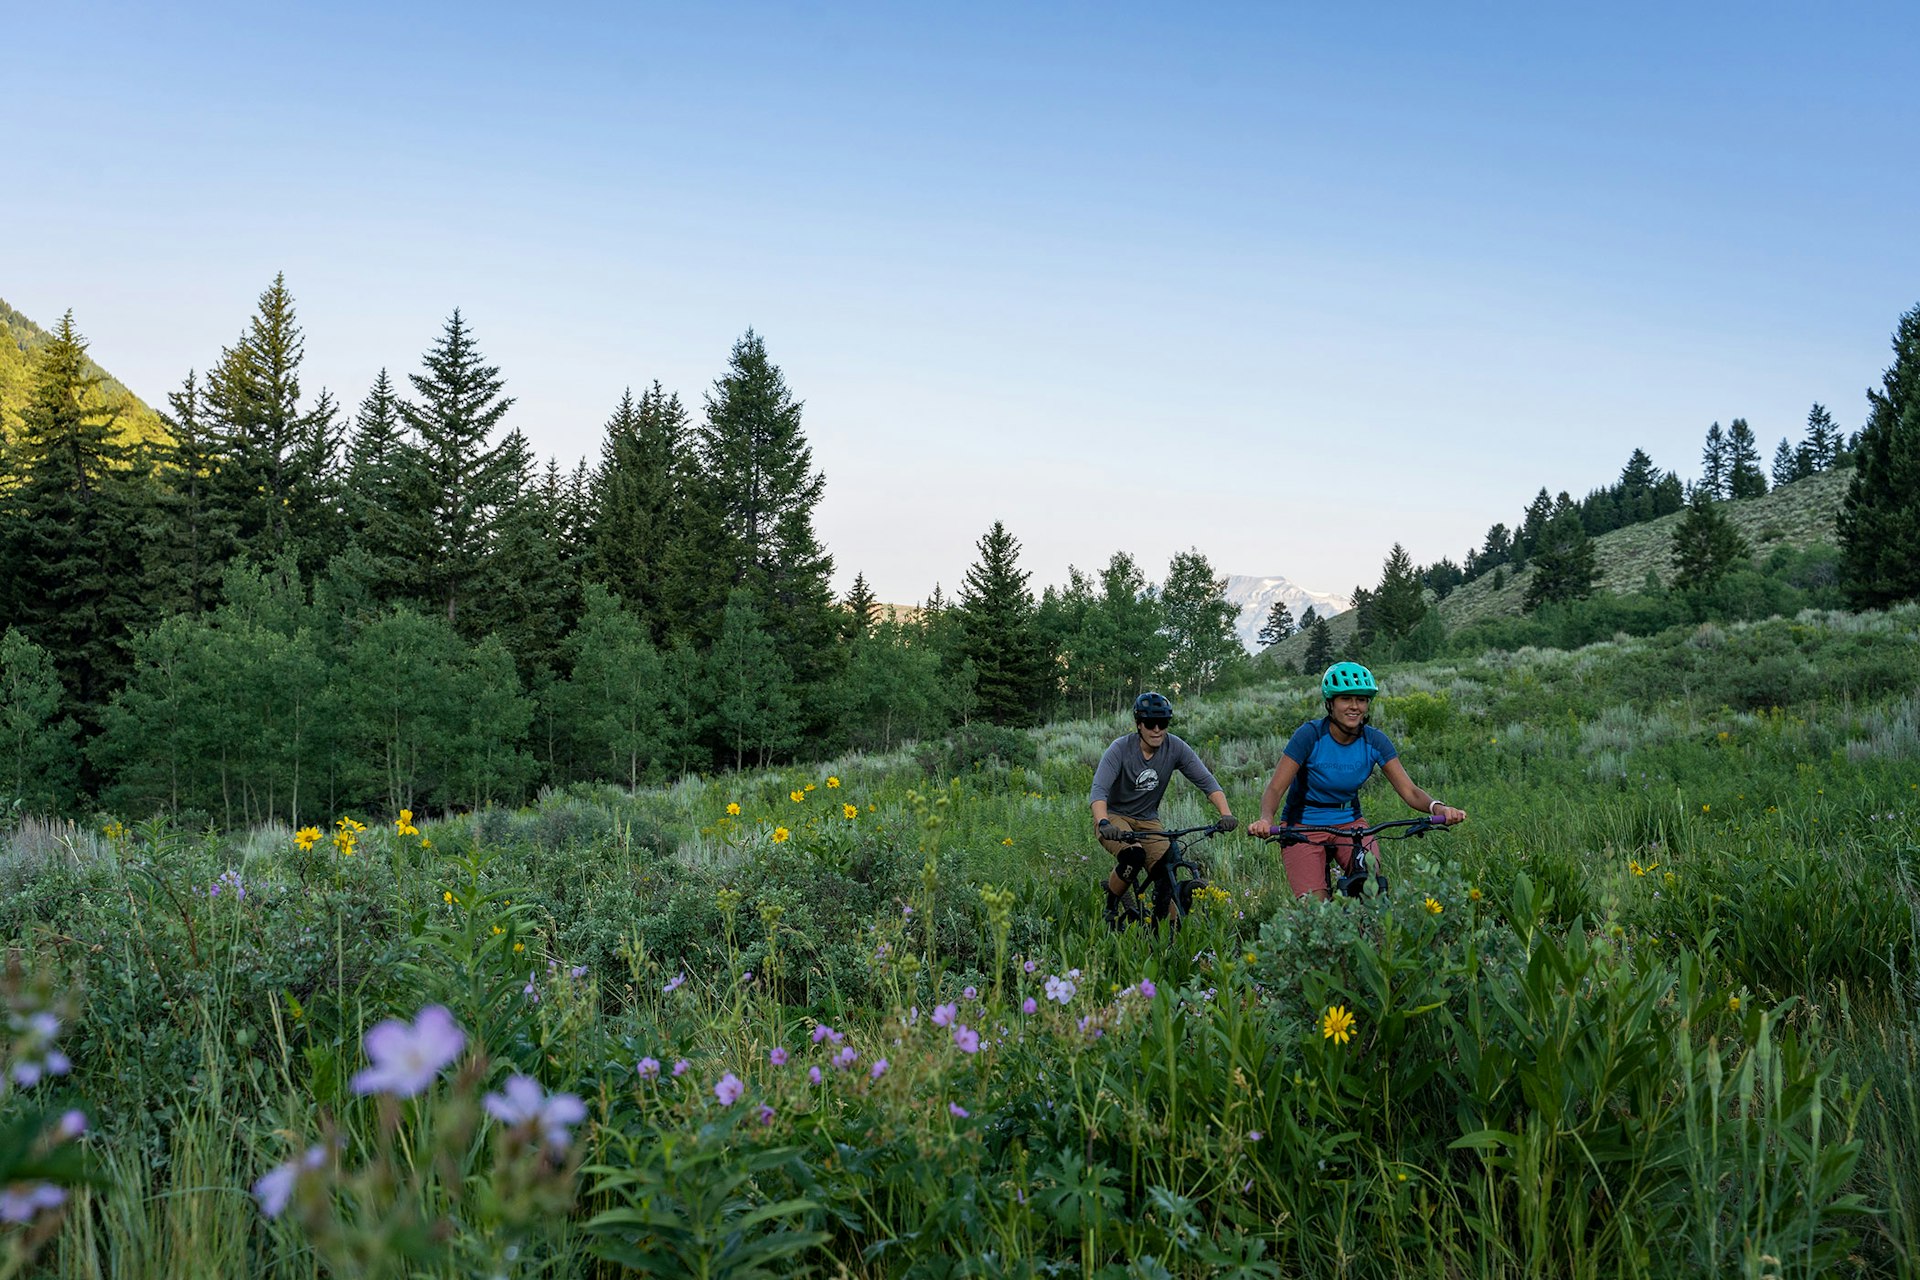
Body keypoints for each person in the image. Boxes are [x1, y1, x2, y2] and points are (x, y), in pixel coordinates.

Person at [1246, 661, 1466, 899]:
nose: (1355, 707)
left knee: (1370, 884)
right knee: (1314, 909)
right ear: (1330, 703)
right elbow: (1276, 788)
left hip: (1350, 823)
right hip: (1303, 825)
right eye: (1346, 699)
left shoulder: (1375, 741)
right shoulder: (1310, 735)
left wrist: (1439, 807)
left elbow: (1410, 791)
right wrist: (1266, 819)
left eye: (1361, 700)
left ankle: (1366, 930)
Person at [1091, 691, 1236, 926]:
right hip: (1115, 817)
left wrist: (1226, 814)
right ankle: (1111, 904)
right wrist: (1104, 822)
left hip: (1148, 819)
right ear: (1139, 724)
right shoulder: (1120, 749)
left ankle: (1163, 927)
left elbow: (1207, 782)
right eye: (1150, 723)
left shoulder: (1176, 747)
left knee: (1166, 869)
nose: (1157, 729)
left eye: (1163, 723)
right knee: (1133, 856)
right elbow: (1099, 790)